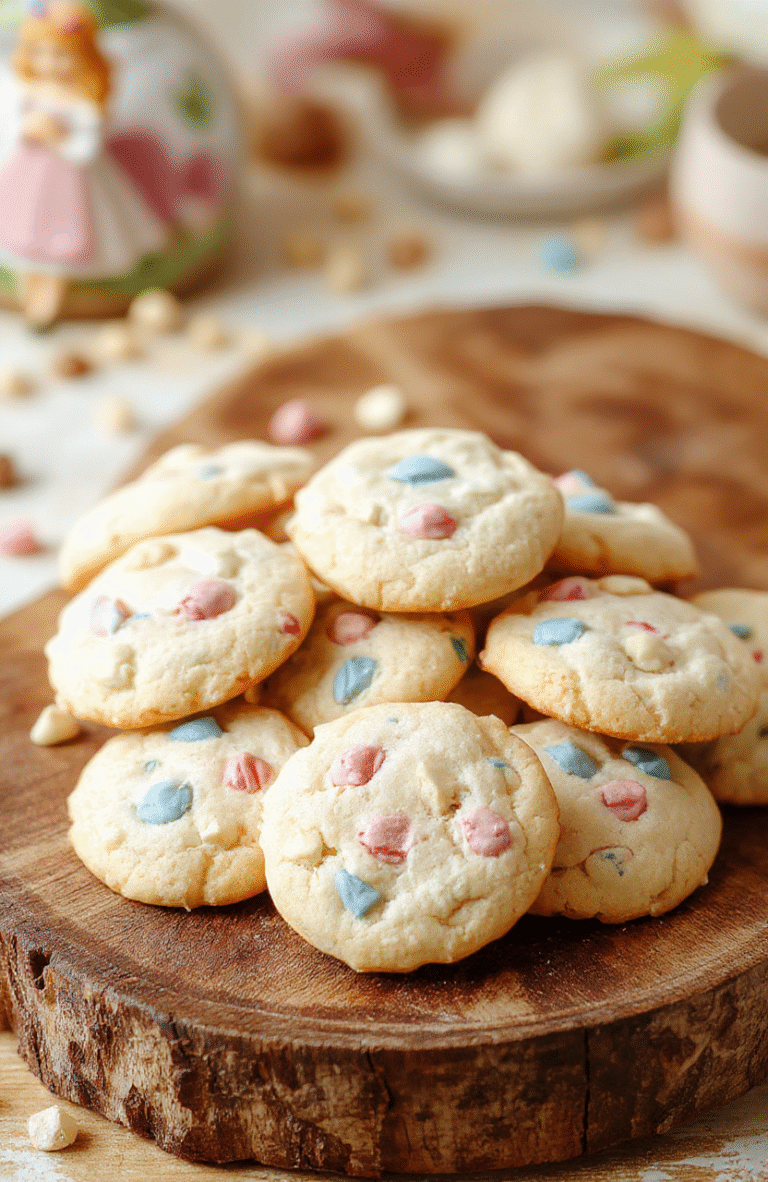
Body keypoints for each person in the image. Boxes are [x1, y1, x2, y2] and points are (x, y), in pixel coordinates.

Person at [0, 0, 167, 327]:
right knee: (22, 230)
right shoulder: (27, 93)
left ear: (82, 57)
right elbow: (10, 129)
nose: (50, 63)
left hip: (69, 185)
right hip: (27, 177)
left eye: (60, 54)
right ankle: (29, 293)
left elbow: (86, 151)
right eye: (41, 53)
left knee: (61, 240)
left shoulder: (83, 106)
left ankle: (50, 301)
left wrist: (58, 138)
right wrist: (26, 130)